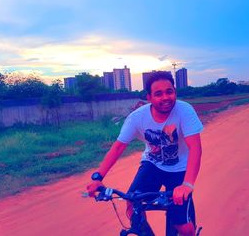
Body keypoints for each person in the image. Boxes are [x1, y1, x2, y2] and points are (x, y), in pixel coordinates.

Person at [87, 71, 203, 236]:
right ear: (149, 97)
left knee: (181, 223)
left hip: (180, 169)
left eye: (169, 91)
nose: (165, 97)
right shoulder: (137, 118)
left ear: (175, 92)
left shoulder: (185, 111)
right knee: (132, 202)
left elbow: (195, 148)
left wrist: (187, 185)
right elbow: (118, 147)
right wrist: (98, 178)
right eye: (158, 94)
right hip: (153, 164)